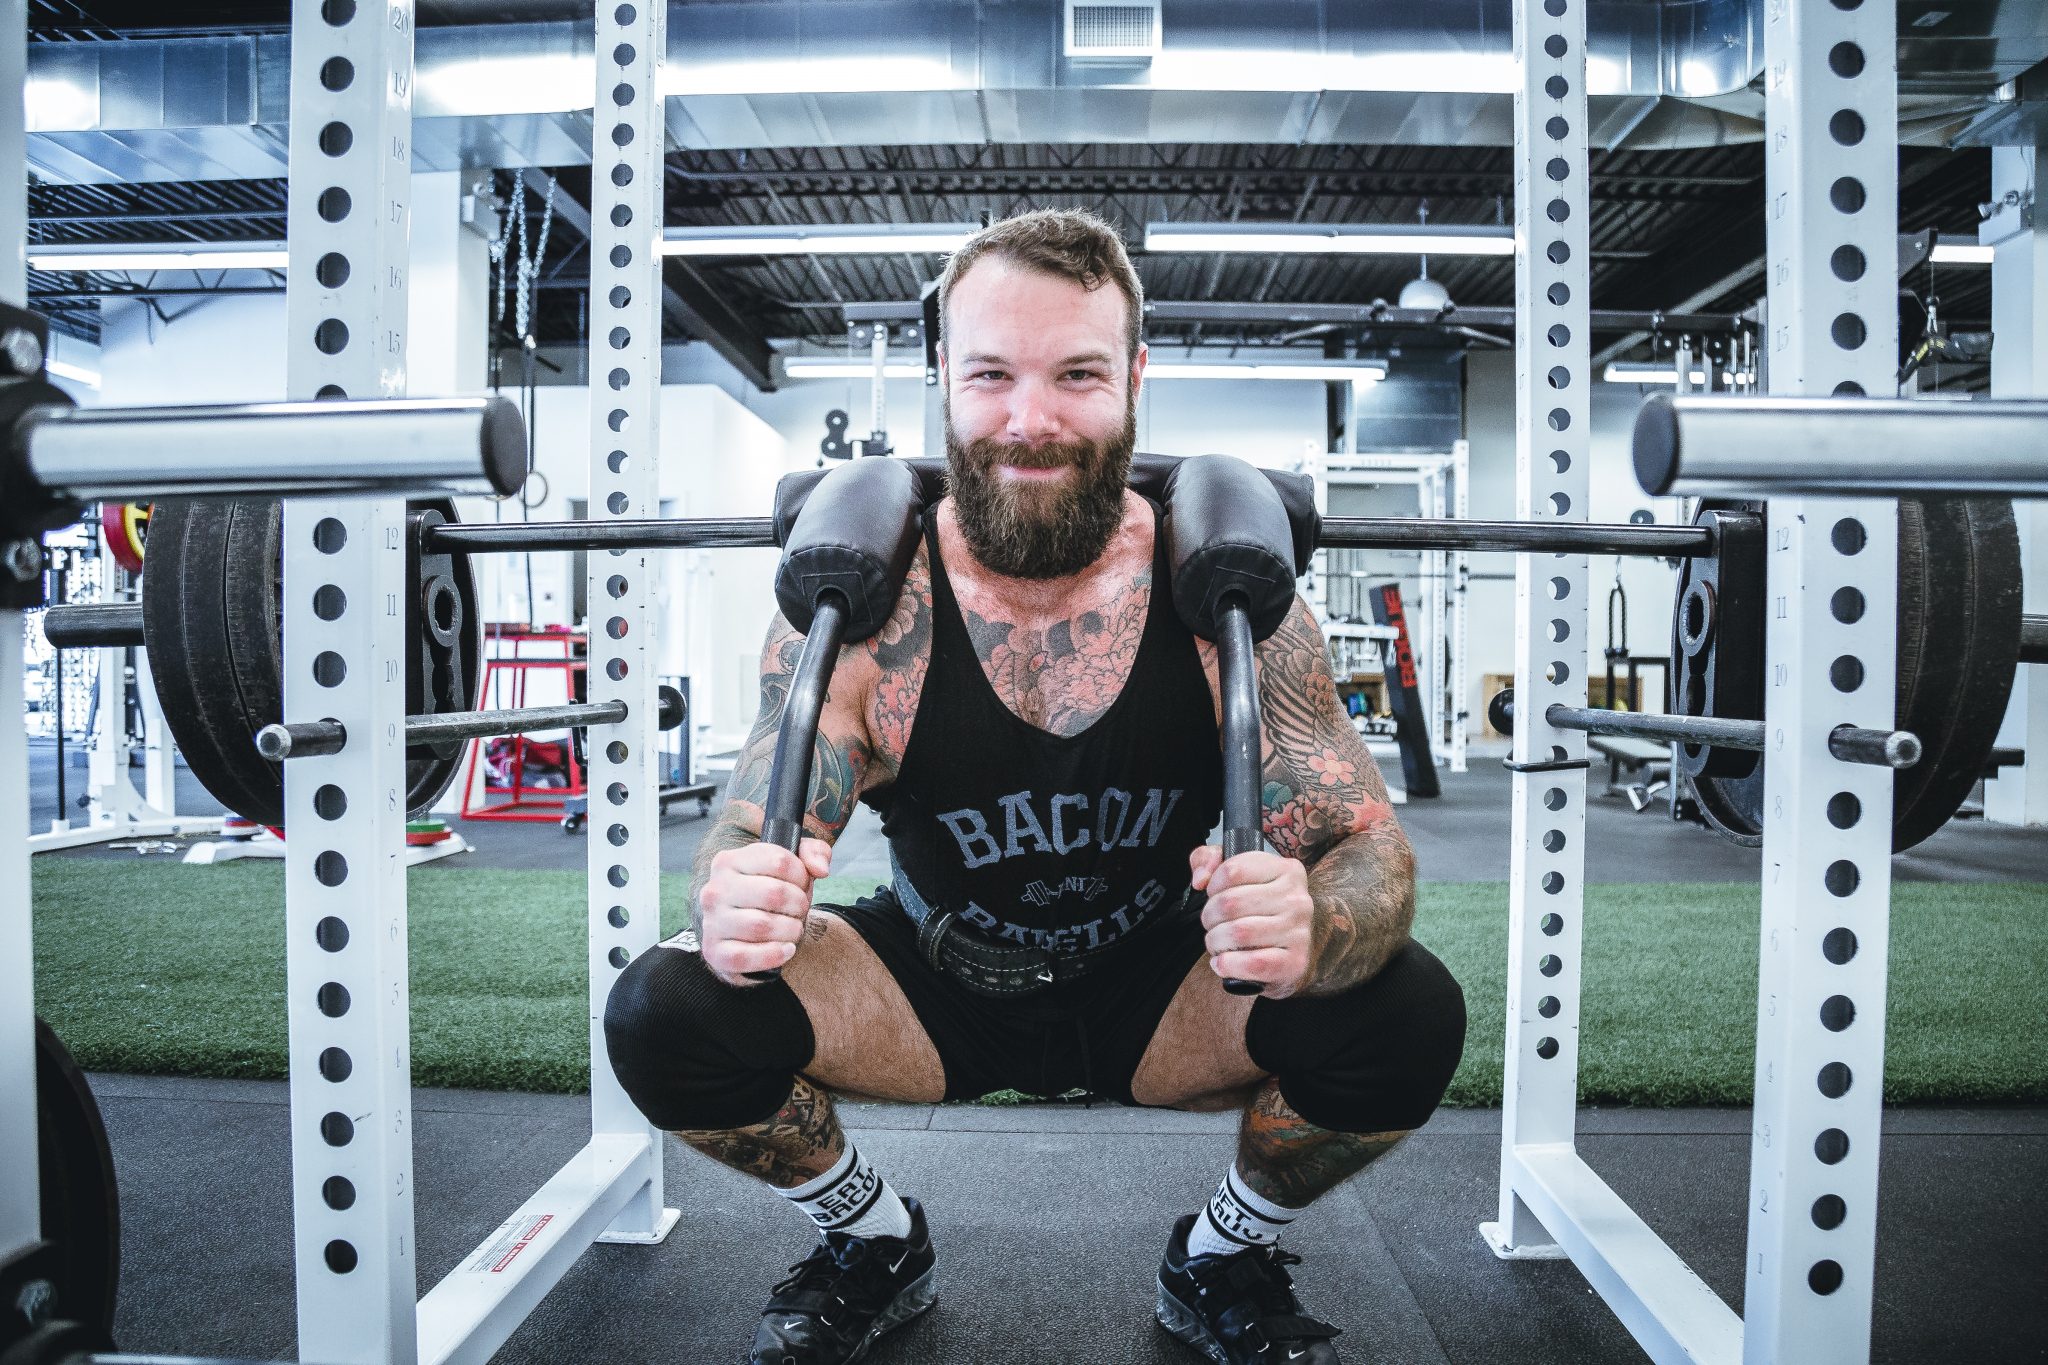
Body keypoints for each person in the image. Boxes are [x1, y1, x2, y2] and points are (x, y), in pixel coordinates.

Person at [604, 208, 1467, 1365]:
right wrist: (733, 892)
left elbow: (1368, 841)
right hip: (926, 983)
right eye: (990, 374)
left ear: (1135, 378)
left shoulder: (1227, 603)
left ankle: (1220, 1255)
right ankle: (872, 1238)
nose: (1031, 419)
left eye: (1076, 374)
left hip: (1160, 988)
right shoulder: (861, 615)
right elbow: (753, 824)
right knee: (668, 1010)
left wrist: (1316, 919)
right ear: (941, 380)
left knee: (1403, 1004)